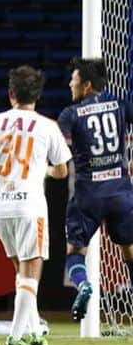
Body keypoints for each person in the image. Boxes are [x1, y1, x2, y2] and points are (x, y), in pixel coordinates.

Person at [0, 64, 71, 345]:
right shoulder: (48, 126)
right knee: (31, 274)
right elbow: (62, 170)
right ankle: (15, 335)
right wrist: (45, 172)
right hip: (30, 206)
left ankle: (35, 330)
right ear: (38, 95)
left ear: (10, 93)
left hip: (0, 207)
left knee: (21, 273)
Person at [56, 57, 133, 321]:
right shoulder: (120, 105)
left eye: (74, 80)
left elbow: (57, 144)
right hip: (121, 193)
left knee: (75, 252)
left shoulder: (71, 113)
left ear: (86, 85)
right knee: (129, 248)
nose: (70, 84)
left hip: (88, 195)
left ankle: (84, 285)